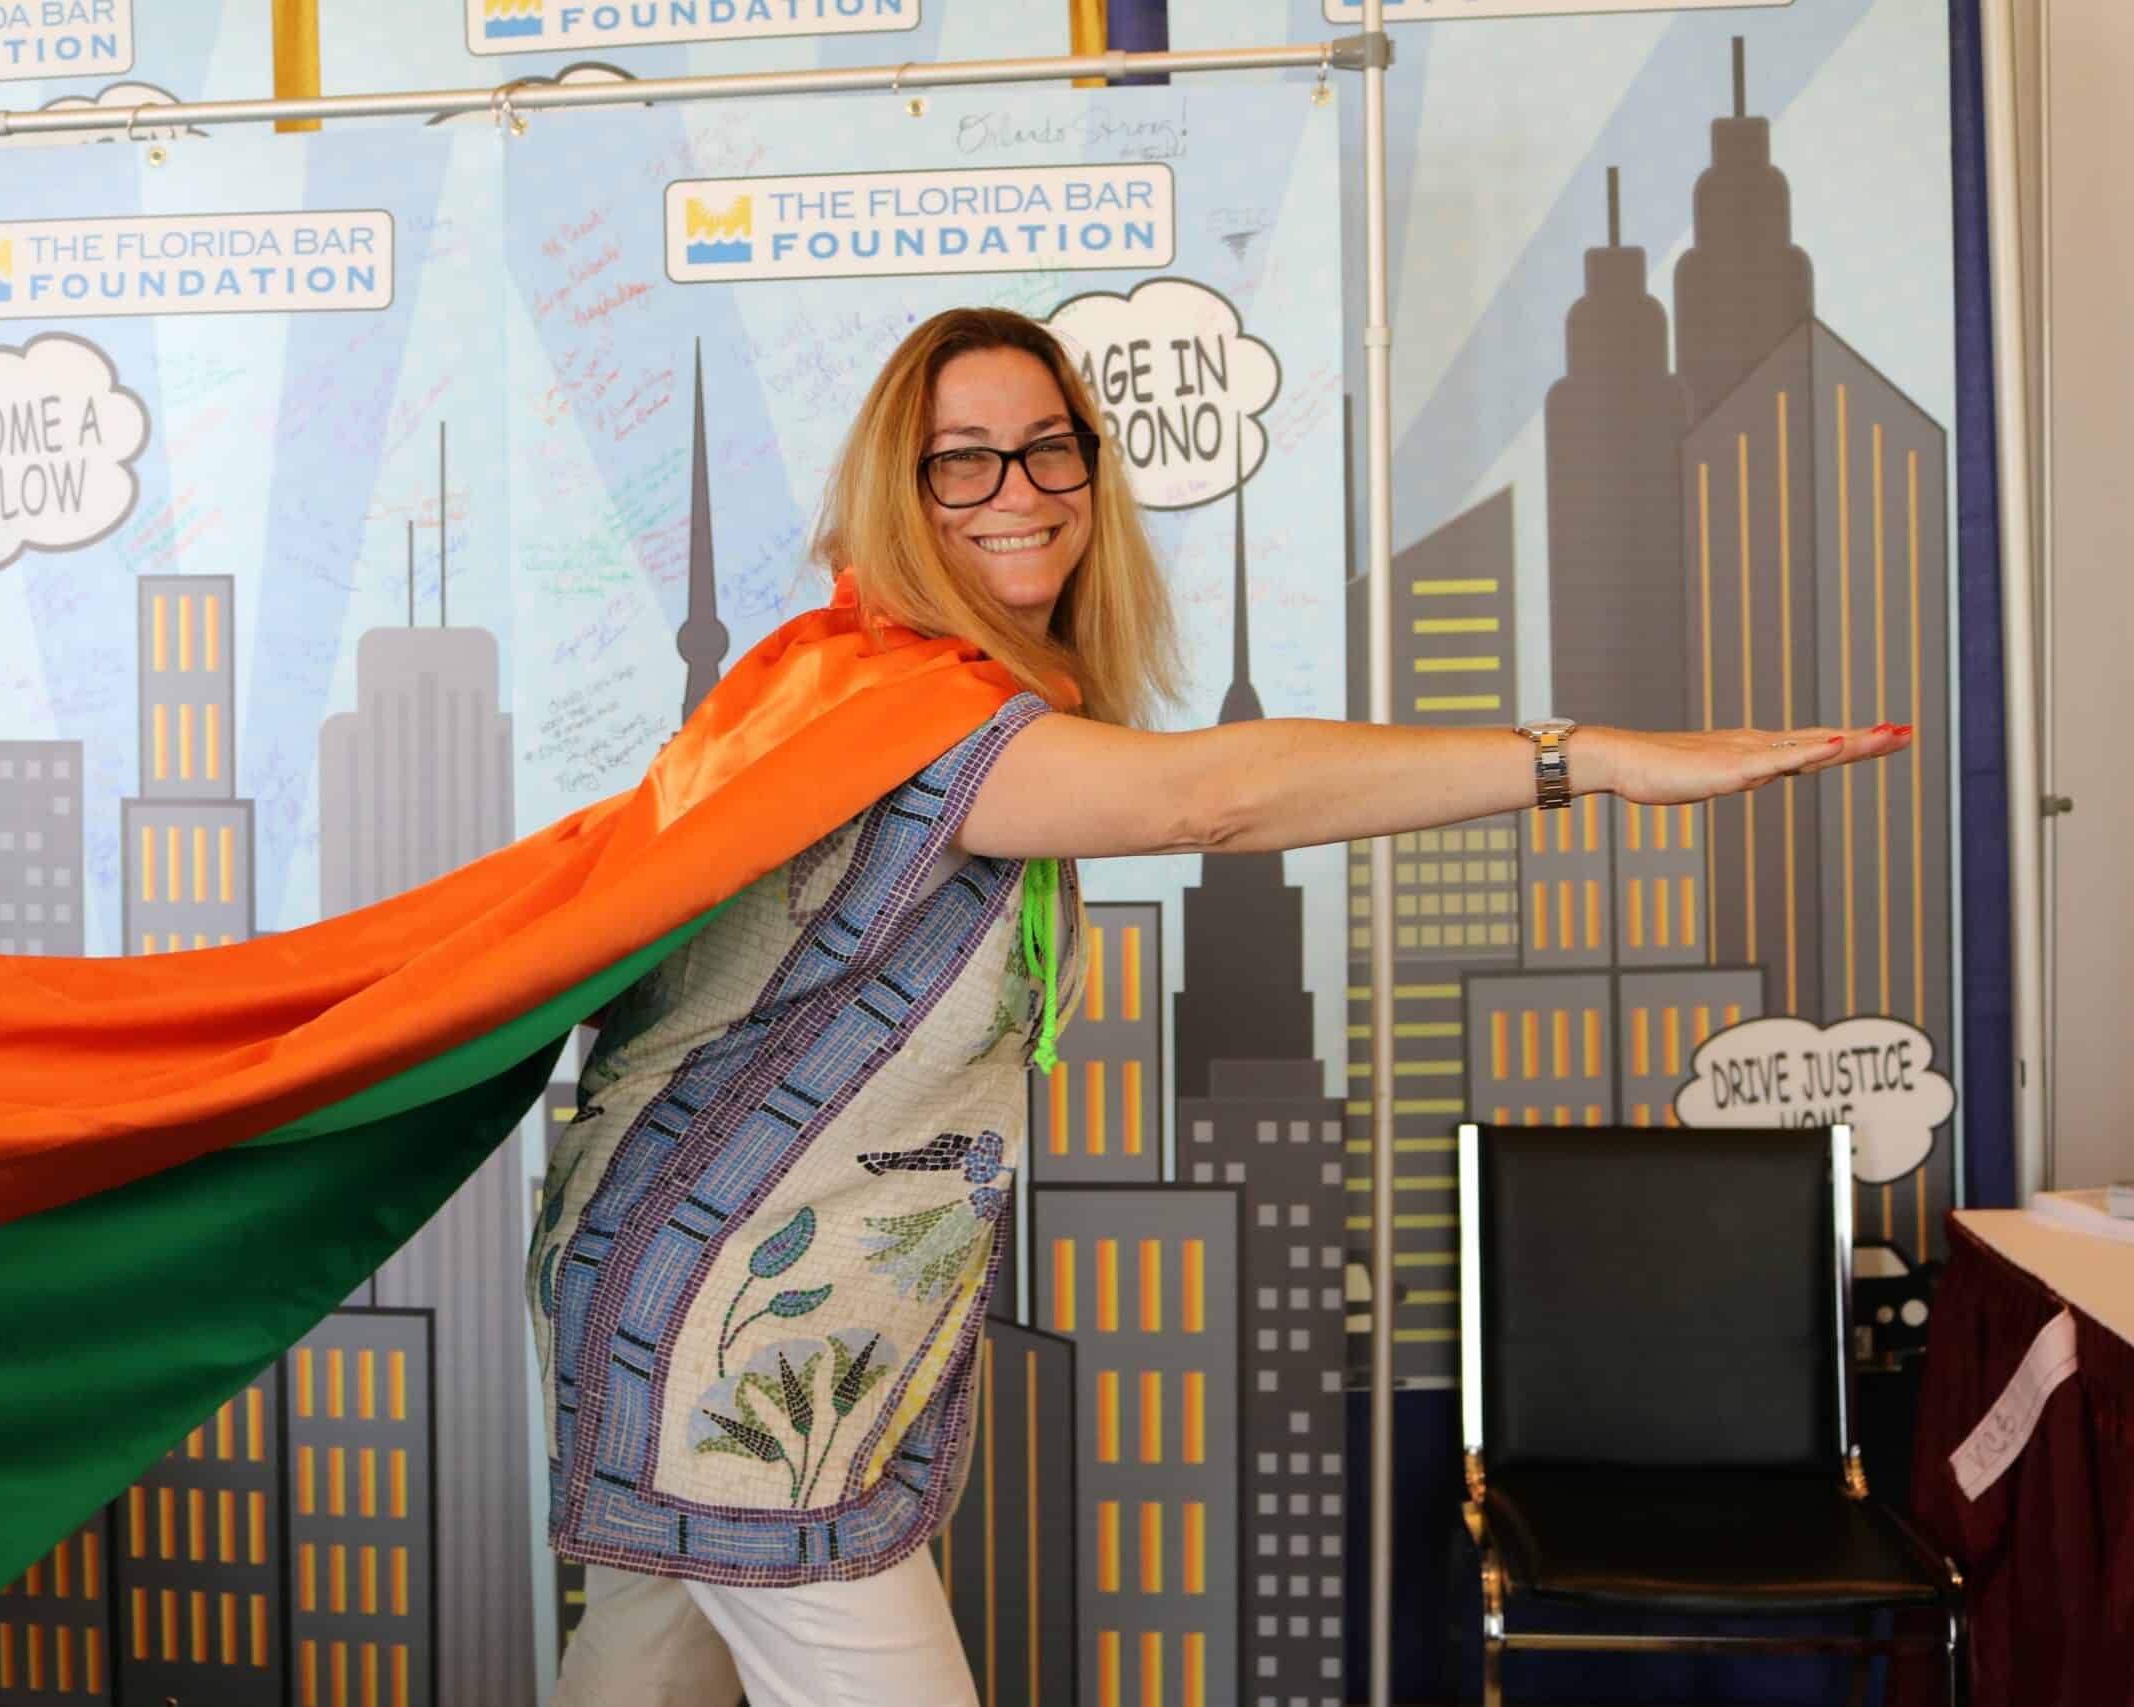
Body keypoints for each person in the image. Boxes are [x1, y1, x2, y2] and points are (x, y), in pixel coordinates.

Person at [538, 307, 1910, 1707]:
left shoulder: (911, 689)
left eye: (1048, 449)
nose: (1018, 491)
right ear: (904, 491)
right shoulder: (900, 708)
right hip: (719, 1319)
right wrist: (1590, 757)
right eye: (963, 460)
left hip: (699, 1285)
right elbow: (1221, 799)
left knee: (641, 1673)